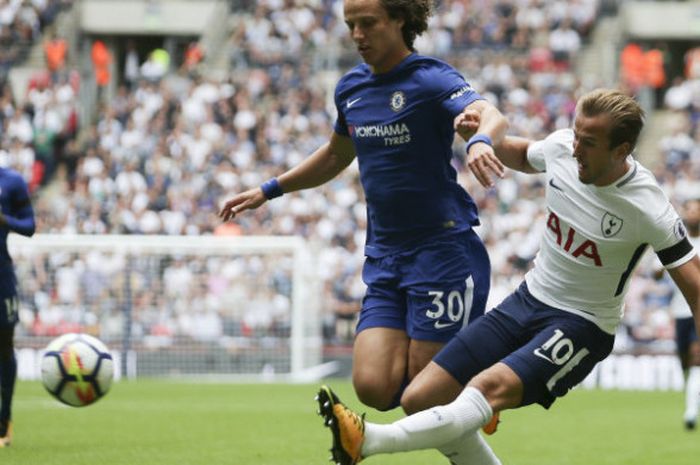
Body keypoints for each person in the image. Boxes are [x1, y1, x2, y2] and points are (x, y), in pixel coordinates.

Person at [317, 88, 700, 465]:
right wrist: (478, 138)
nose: (575, 148)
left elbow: (694, 288)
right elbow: (522, 153)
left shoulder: (648, 207)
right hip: (527, 300)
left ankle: (367, 440)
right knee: (419, 398)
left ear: (622, 150)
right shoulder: (562, 147)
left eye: (589, 142)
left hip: (582, 324)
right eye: (576, 134)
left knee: (485, 390)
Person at [220, 0, 508, 414]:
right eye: (351, 24)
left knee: (423, 400)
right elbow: (337, 156)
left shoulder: (430, 79)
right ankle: (467, 384)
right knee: (373, 388)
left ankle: (480, 390)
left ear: (399, 20)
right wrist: (270, 189)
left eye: (368, 23)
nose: (357, 35)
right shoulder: (351, 88)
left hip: (441, 252)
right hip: (386, 256)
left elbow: (490, 114)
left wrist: (480, 139)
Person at [0, 167, 36, 447]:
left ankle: (4, 422)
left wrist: (4, 220)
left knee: (4, 346)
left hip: (2, 275)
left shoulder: (11, 182)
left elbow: (30, 226)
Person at [661, 197, 700, 430]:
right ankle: (693, 395)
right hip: (679, 311)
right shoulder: (676, 241)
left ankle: (690, 413)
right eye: (689, 209)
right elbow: (657, 272)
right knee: (685, 364)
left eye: (697, 209)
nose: (693, 213)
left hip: (696, 308)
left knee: (697, 358)